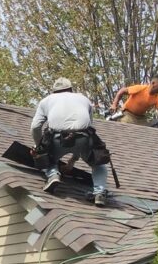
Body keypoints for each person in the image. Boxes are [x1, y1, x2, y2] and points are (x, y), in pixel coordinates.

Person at [31, 78, 110, 207]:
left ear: (53, 92)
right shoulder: (83, 99)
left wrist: (39, 147)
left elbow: (35, 127)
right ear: (71, 90)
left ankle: (53, 175)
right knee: (98, 164)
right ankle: (99, 193)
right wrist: (73, 159)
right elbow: (86, 128)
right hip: (83, 138)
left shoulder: (46, 101)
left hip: (57, 139)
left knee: (47, 158)